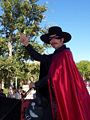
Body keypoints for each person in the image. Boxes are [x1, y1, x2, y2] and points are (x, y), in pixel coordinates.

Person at [20, 26, 90, 120]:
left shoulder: (65, 54)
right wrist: (26, 44)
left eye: (56, 38)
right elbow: (40, 58)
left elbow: (54, 76)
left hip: (64, 98)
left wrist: (36, 84)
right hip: (54, 98)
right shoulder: (56, 56)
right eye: (50, 39)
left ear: (62, 39)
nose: (53, 41)